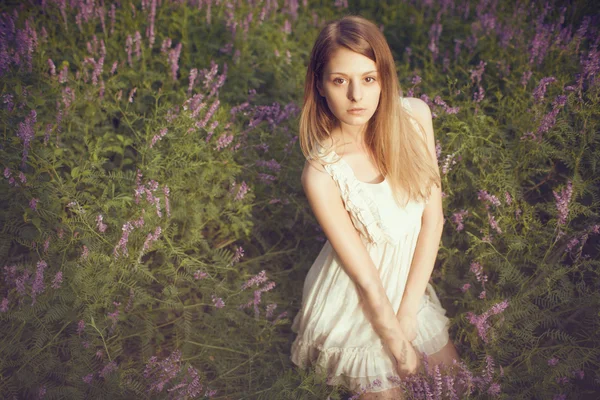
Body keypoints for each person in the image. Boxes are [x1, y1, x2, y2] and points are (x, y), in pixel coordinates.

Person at [290, 15, 461, 399]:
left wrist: (409, 316)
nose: (356, 97)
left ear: (384, 78)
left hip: (406, 291)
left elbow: (433, 221)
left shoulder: (415, 117)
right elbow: (367, 282)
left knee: (458, 389)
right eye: (339, 81)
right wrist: (399, 346)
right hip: (355, 303)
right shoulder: (321, 173)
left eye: (368, 79)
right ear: (319, 85)